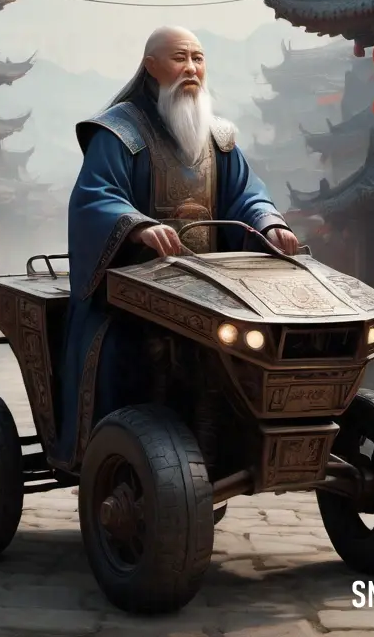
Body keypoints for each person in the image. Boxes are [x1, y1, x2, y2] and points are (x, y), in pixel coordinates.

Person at [56, 26, 300, 465]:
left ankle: (235, 451)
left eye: (199, 59)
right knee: (120, 354)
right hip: (130, 290)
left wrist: (269, 223)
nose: (191, 69)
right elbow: (95, 196)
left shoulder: (218, 137)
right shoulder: (118, 132)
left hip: (213, 288)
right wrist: (135, 227)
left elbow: (246, 193)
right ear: (151, 66)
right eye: (179, 58)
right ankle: (114, 457)